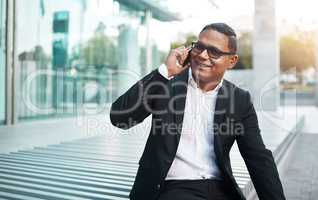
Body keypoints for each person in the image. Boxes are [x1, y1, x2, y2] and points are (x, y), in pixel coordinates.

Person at [110, 23, 286, 200]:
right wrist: (164, 72)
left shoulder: (239, 99)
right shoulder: (165, 84)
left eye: (214, 52)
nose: (202, 55)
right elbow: (120, 118)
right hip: (172, 187)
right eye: (199, 47)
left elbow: (258, 158)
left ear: (231, 61)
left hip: (220, 188)